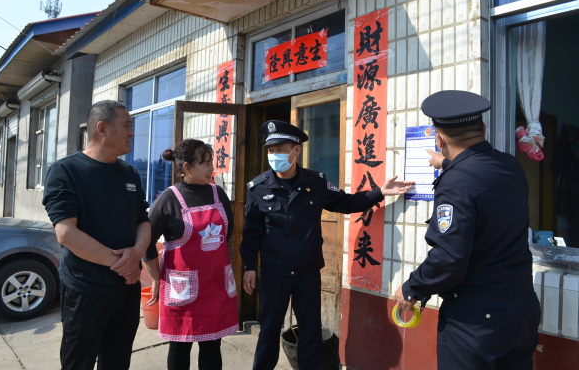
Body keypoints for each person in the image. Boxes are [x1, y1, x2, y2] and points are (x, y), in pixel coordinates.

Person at [241, 120, 414, 370]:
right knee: (268, 332)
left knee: (310, 333)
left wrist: (380, 192)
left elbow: (346, 203)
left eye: (280, 149)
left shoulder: (316, 182)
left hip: (307, 272)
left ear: (296, 150)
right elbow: (251, 233)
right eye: (270, 150)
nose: (274, 155)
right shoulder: (257, 188)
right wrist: (249, 266)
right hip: (274, 272)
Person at [394, 90, 541, 369]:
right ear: (483, 129)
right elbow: (480, 181)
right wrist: (449, 165)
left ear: (438, 139)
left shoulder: (455, 185)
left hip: (476, 322)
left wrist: (412, 287)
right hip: (521, 310)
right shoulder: (510, 166)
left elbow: (449, 259)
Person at [42, 100, 150, 370]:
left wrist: (136, 253)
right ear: (102, 129)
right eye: (126, 126)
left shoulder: (130, 172)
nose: (132, 132)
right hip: (86, 289)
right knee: (79, 361)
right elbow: (66, 233)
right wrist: (124, 265)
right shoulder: (66, 170)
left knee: (117, 361)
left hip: (127, 288)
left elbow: (143, 221)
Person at [143, 138, 238, 370]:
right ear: (186, 167)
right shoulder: (169, 198)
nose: (211, 169)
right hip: (182, 288)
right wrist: (156, 278)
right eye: (205, 164)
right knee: (180, 344)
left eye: (211, 163)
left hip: (216, 285)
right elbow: (146, 243)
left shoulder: (218, 194)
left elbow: (229, 233)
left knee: (212, 344)